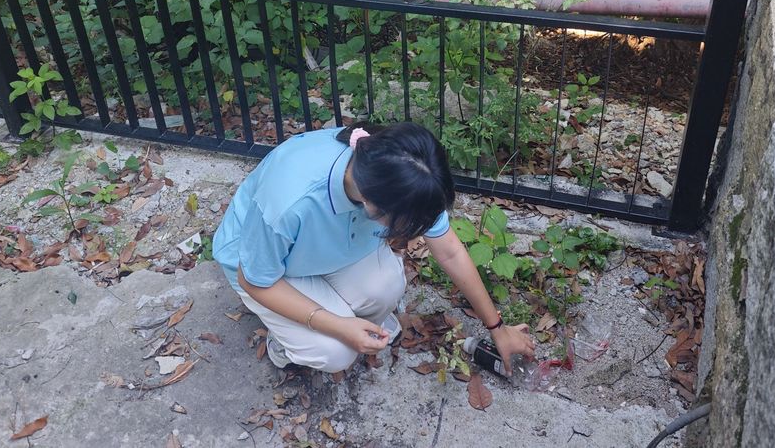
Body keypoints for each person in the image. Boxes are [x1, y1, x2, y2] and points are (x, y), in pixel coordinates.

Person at [212, 121, 536, 374]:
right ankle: (286, 344)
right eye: (405, 228)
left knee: (388, 286)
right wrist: (338, 326)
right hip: (268, 269)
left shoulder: (404, 174)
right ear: (371, 205)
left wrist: (497, 327)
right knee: (336, 352)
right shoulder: (290, 201)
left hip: (327, 251)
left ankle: (334, 317)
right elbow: (254, 279)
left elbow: (449, 251)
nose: (410, 237)